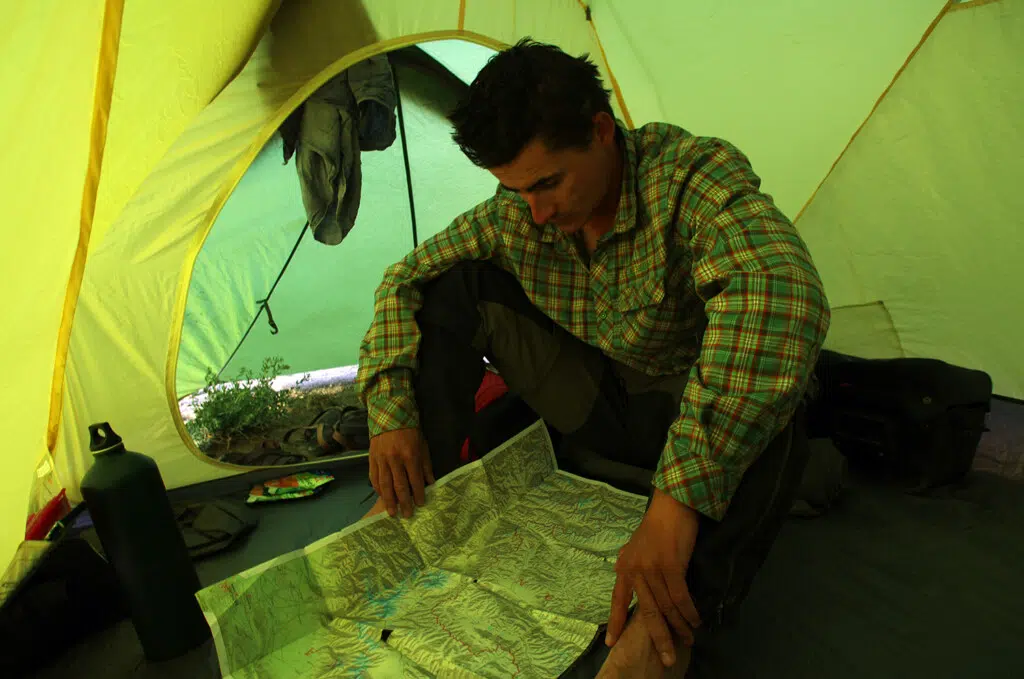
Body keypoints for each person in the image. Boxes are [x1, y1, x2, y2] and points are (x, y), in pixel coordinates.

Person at [355, 39, 830, 677]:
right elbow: (403, 278)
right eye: (516, 190)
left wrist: (676, 503)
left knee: (780, 398)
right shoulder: (518, 213)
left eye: (548, 183)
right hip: (595, 405)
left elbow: (783, 294)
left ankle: (664, 628)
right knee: (455, 286)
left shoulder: (690, 177)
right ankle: (415, 503)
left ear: (601, 132)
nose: (537, 213)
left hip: (681, 419)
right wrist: (391, 415)